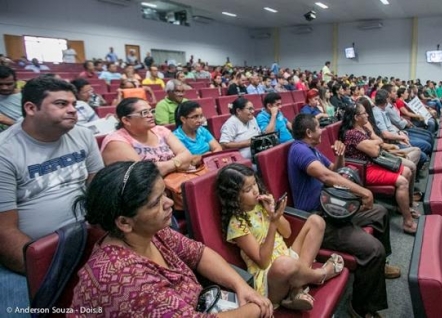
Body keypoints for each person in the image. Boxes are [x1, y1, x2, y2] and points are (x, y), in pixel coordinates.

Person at [71, 161, 272, 317]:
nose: (169, 203)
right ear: (124, 222)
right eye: (156, 202)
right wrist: (257, 308)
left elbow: (198, 253)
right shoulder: (124, 279)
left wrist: (241, 286)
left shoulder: (151, 231)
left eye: (164, 193)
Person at [0, 76, 104, 310]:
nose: (72, 111)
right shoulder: (5, 153)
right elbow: (4, 232)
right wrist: (52, 270)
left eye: (73, 105)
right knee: (17, 311)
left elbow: (98, 190)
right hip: (31, 255)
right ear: (31, 108)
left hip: (87, 238)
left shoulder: (83, 135)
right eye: (61, 104)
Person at [288, 113, 401, 318]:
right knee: (374, 250)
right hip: (318, 219)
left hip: (332, 208)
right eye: (319, 127)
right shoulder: (298, 149)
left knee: (380, 212)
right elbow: (326, 176)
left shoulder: (311, 149)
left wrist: (339, 156)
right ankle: (360, 308)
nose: (322, 130)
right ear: (308, 132)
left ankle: (379, 268)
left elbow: (334, 170)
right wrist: (362, 191)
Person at [217, 164, 342, 311]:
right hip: (270, 279)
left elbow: (287, 233)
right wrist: (273, 222)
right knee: (283, 264)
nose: (255, 190)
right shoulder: (237, 223)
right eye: (248, 190)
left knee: (317, 221)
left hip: (287, 257)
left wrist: (272, 212)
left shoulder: (261, 204)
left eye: (255, 183)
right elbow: (263, 262)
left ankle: (297, 289)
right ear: (234, 196)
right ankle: (320, 275)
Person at [339, 103, 418, 234]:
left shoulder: (363, 128)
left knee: (407, 171)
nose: (367, 115)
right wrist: (375, 143)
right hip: (364, 170)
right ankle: (408, 222)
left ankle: (400, 206)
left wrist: (374, 143)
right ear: (356, 117)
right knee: (402, 182)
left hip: (374, 163)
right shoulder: (351, 134)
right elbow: (375, 151)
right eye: (364, 113)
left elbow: (379, 141)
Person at [100, 97, 192, 176]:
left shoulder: (160, 130)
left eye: (151, 111)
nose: (151, 115)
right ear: (126, 120)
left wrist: (167, 166)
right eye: (144, 113)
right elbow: (141, 175)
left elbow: (186, 154)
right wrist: (179, 163)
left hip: (177, 181)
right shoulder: (116, 141)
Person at [173, 100, 222, 166]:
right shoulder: (176, 137)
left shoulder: (202, 130)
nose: (200, 120)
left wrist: (202, 157)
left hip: (211, 164)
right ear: (183, 119)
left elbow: (218, 148)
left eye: (201, 116)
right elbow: (189, 162)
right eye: (195, 117)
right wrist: (209, 154)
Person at [0, 66, 22, 132]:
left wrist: (10, 122)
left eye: (9, 84)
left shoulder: (27, 95)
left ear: (16, 82)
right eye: (0, 84)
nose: (4, 88)